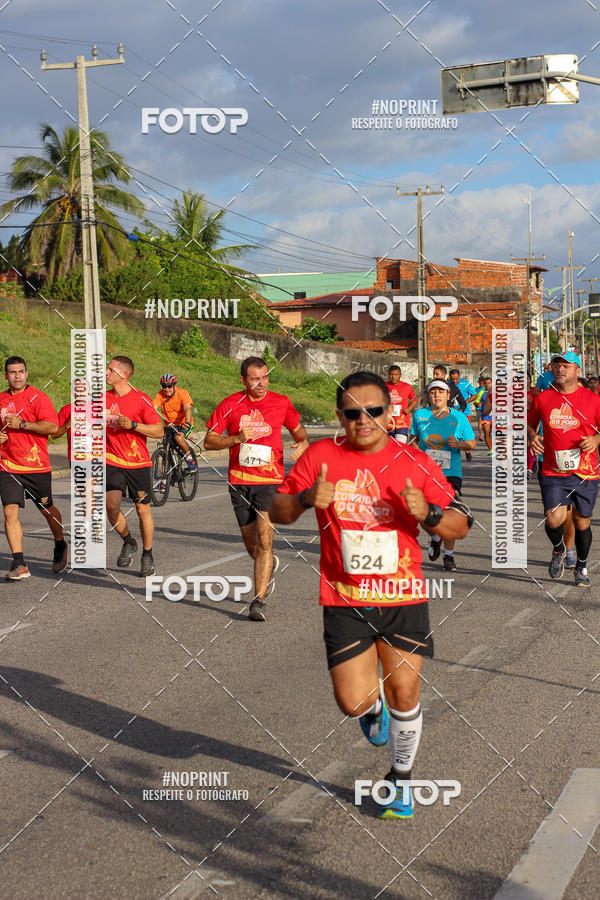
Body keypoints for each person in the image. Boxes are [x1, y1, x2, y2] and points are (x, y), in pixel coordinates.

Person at [269, 371, 472, 818]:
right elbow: (277, 512)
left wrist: (430, 513)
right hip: (345, 599)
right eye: (352, 413)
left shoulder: (414, 460)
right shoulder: (321, 455)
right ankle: (371, 707)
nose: (363, 420)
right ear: (340, 416)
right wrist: (305, 498)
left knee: (406, 689)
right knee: (353, 702)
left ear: (391, 411)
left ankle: (401, 779)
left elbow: (461, 525)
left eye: (373, 411)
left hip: (402, 595)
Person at [204, 356, 309, 621]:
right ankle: (268, 564)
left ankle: (258, 599)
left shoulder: (281, 402)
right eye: (255, 379)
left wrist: (304, 442)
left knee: (265, 539)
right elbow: (208, 442)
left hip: (270, 481)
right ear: (243, 380)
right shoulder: (230, 404)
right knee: (252, 546)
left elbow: (299, 431)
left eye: (264, 377)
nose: (261, 383)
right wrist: (237, 438)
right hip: (239, 482)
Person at [528, 351, 600, 587]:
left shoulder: (593, 399)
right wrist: (532, 436)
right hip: (553, 469)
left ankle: (581, 566)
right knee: (553, 518)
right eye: (556, 365)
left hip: (585, 470)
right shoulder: (543, 398)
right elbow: (528, 423)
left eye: (566, 365)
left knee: (582, 522)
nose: (560, 369)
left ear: (578, 371)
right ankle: (559, 549)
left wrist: (596, 440)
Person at [0, 356, 67, 580]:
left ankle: (60, 543)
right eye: (12, 372)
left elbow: (52, 426)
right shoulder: (0, 399)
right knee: (9, 510)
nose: (17, 376)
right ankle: (19, 563)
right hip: (7, 465)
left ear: (26, 374)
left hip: (36, 465)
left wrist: (23, 424)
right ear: (6, 375)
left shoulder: (38, 397)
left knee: (47, 510)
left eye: (20, 372)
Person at [105, 356, 164, 577]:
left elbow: (158, 431)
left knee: (142, 510)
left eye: (110, 369)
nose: (106, 372)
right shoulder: (102, 399)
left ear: (124, 375)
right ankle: (129, 541)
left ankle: (147, 554)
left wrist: (133, 425)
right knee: (111, 506)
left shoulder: (141, 400)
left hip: (137, 462)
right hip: (111, 460)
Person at [410, 380, 475, 570]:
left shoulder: (459, 417)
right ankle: (436, 537)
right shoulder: (420, 415)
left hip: (450, 472)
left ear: (448, 396)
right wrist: (417, 451)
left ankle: (449, 555)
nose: (436, 396)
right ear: (428, 396)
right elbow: (413, 438)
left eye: (441, 392)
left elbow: (472, 443)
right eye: (433, 392)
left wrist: (459, 444)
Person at [153, 374, 197, 473]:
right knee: (165, 450)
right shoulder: (160, 394)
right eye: (164, 386)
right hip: (169, 426)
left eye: (169, 386)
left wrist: (188, 422)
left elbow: (187, 409)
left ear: (175, 385)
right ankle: (164, 479)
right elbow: (153, 408)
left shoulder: (183, 393)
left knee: (178, 437)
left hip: (183, 424)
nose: (166, 389)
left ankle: (190, 461)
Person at [448, 369, 476, 461]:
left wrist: (465, 402)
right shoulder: (448, 385)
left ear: (459, 376)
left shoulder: (466, 384)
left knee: (464, 433)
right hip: (451, 413)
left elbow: (475, 395)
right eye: (452, 379)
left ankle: (467, 451)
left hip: (465, 412)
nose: (454, 381)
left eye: (456, 379)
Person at [385, 365, 418, 443]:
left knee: (400, 446)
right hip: (387, 423)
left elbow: (415, 399)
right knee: (388, 447)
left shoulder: (407, 387)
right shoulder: (384, 386)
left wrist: (409, 409)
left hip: (402, 423)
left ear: (400, 375)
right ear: (388, 375)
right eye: (391, 374)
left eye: (396, 374)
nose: (393, 377)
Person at [470, 376, 487, 442]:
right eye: (480, 382)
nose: (481, 383)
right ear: (478, 382)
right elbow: (473, 396)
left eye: (483, 382)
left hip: (485, 407)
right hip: (478, 407)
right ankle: (481, 435)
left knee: (485, 421)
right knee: (479, 421)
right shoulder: (476, 389)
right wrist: (474, 403)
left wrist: (482, 403)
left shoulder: (486, 389)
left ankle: (487, 434)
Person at [481, 376, 494, 455]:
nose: (487, 385)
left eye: (489, 383)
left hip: (495, 416)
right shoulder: (481, 393)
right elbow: (477, 401)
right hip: (486, 416)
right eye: (485, 383)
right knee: (487, 433)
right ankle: (491, 449)